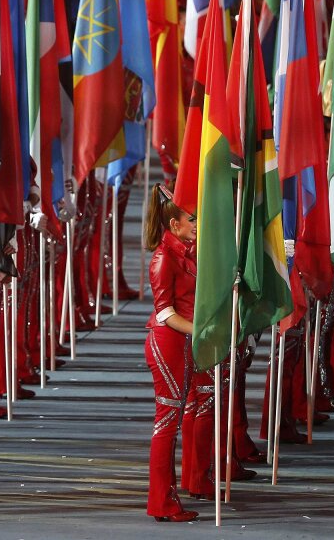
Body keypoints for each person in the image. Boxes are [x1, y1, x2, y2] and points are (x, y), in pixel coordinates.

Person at [143, 184, 202, 523]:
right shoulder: (163, 258)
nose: (197, 223)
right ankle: (161, 501)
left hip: (181, 343)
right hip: (167, 343)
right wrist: (203, 331)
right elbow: (165, 313)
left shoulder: (186, 251)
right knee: (166, 423)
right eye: (191, 218)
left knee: (173, 421)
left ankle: (167, 497)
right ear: (174, 225)